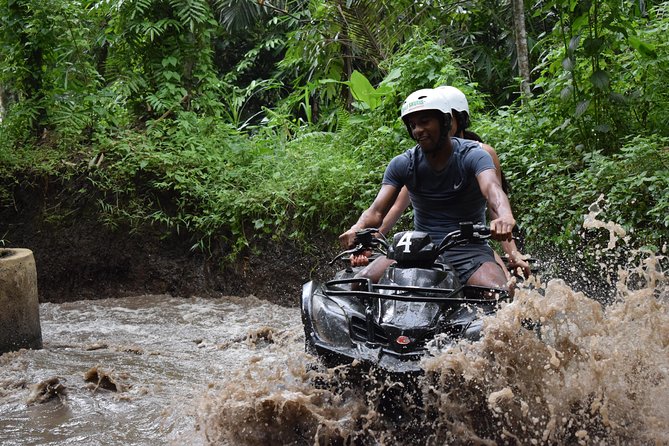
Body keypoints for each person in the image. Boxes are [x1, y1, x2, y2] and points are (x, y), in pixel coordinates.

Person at [339, 87, 517, 294]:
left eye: (425, 122)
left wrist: (505, 215)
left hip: (468, 250)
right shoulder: (403, 163)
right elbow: (376, 211)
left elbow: (492, 189)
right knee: (360, 284)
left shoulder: (474, 155)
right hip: (417, 250)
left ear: (445, 122)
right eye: (413, 125)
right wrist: (357, 228)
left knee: (500, 293)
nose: (418, 130)